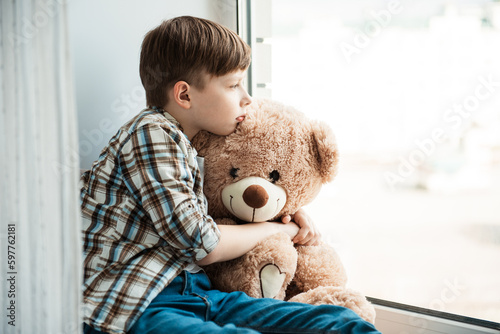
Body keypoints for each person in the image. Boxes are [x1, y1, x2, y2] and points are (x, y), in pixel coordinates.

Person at [81, 16, 380, 334]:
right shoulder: (151, 133)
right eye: (233, 84)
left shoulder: (188, 139)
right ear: (185, 96)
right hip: (139, 301)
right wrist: (280, 231)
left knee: (338, 321)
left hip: (196, 294)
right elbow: (203, 244)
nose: (246, 98)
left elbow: (220, 197)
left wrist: (287, 212)